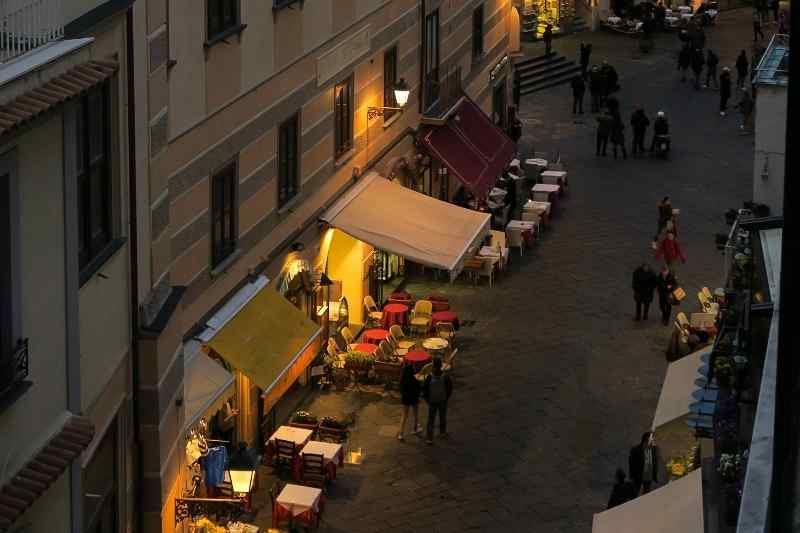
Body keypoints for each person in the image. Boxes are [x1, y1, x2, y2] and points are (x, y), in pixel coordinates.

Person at [422, 357, 453, 445]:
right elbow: (449, 388)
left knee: (431, 419)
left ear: (434, 366)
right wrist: (446, 398)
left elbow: (425, 389)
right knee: (442, 417)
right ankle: (442, 432)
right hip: (442, 400)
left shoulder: (429, 377)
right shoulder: (445, 376)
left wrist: (427, 399)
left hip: (432, 401)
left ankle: (429, 438)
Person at [397, 361, 422, 440]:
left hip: (406, 395)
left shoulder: (405, 369)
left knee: (404, 415)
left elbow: (401, 383)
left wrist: (402, 393)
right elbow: (419, 384)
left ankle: (400, 434)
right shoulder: (418, 370)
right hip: (414, 395)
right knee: (415, 414)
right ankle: (415, 429)